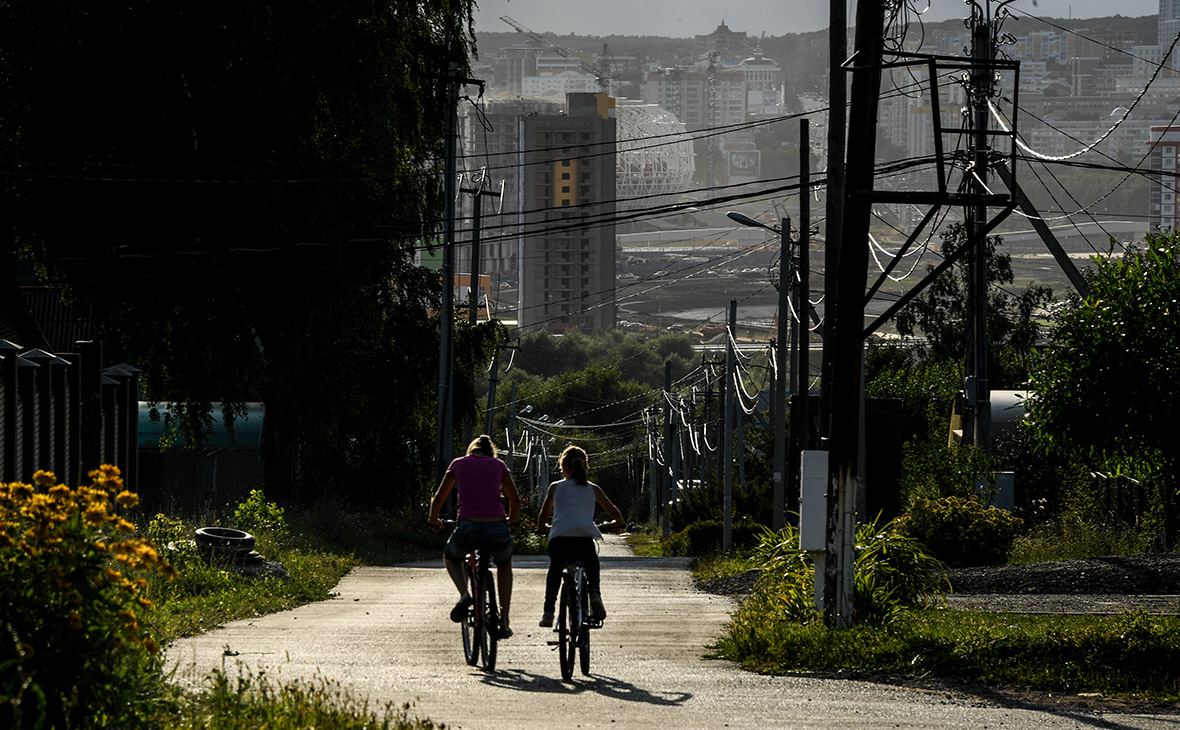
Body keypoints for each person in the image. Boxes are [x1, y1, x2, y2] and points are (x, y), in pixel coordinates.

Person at [427, 434, 521, 638]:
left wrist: (435, 520)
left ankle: (464, 594)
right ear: (490, 452)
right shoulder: (498, 465)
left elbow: (439, 498)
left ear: (472, 451)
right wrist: (511, 521)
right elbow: (514, 499)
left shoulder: (458, 464)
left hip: (467, 526)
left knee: (452, 557)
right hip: (496, 526)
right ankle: (504, 621)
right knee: (504, 565)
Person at [535, 444, 625, 628]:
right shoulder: (593, 489)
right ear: (585, 467)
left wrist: (543, 529)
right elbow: (617, 515)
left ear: (564, 468)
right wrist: (613, 525)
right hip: (583, 540)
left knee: (555, 569)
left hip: (559, 540)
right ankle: (594, 593)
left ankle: (548, 612)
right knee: (591, 561)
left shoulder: (555, 487)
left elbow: (542, 518)